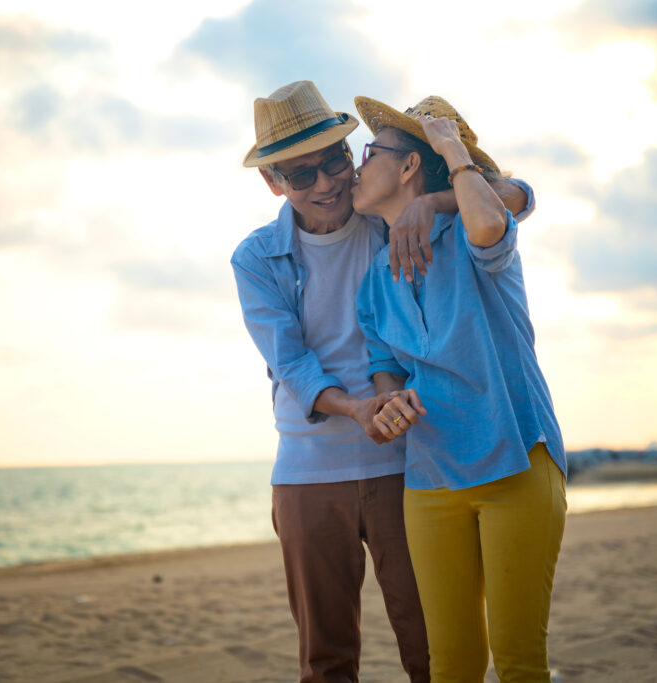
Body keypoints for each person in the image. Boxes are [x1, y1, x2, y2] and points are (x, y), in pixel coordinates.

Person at [230, 81, 536, 683]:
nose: (324, 183)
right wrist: (359, 408)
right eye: (300, 175)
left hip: (409, 465)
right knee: (327, 660)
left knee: (432, 649)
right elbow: (290, 364)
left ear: (350, 152)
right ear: (273, 184)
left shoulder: (388, 220)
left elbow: (518, 198)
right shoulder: (257, 258)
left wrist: (433, 203)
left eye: (334, 161)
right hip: (309, 472)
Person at [352, 94, 567, 683]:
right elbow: (383, 363)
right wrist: (390, 396)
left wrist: (449, 158)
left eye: (369, 152)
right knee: (451, 664)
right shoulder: (373, 281)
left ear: (408, 167)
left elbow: (500, 214)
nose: (355, 165)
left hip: (516, 463)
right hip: (430, 479)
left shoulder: (472, 234)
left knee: (520, 660)